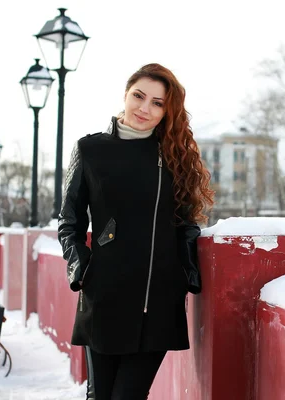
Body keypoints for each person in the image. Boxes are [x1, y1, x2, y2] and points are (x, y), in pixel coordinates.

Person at [58, 63, 214, 400]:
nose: (145, 108)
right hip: (104, 296)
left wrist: (187, 273)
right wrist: (80, 265)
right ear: (125, 95)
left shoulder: (174, 157)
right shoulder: (90, 149)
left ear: (166, 111)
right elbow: (69, 221)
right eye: (139, 96)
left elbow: (186, 224)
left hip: (156, 302)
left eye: (157, 103)